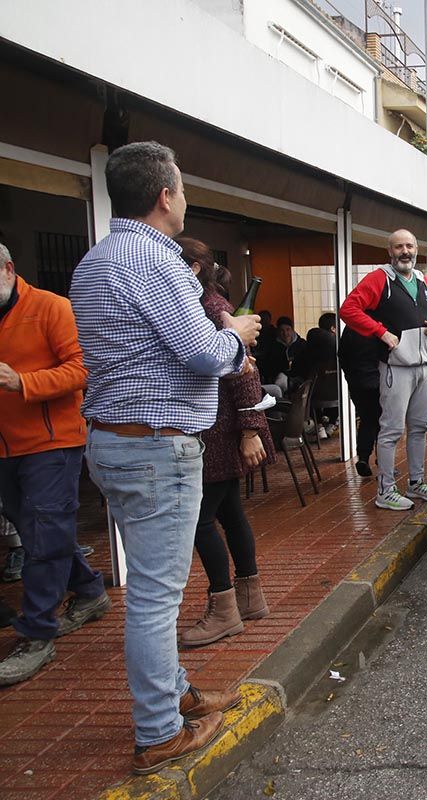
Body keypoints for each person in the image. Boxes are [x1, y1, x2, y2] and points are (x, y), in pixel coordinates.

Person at [70, 141, 259, 774]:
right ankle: (158, 732)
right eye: (181, 188)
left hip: (111, 442)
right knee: (155, 598)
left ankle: (177, 695)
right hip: (155, 448)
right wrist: (235, 336)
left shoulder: (94, 260)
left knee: (153, 590)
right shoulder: (158, 261)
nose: (184, 199)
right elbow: (202, 353)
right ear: (164, 196)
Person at [0, 242, 111, 687]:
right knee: (36, 531)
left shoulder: (50, 308)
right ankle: (88, 591)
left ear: (9, 269)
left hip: (51, 442)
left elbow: (84, 368)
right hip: (6, 446)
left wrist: (22, 381)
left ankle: (37, 632)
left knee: (44, 532)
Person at [176, 239, 273, 647]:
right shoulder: (209, 306)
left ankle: (224, 608)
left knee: (201, 522)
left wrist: (250, 429)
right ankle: (250, 598)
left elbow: (244, 370)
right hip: (219, 429)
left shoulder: (211, 309)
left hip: (217, 432)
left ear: (194, 268)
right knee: (231, 513)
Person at [340, 229, 427, 510]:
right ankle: (385, 491)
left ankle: (416, 483)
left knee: (420, 427)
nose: (405, 251)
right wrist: (380, 332)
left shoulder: (422, 279)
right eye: (399, 247)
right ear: (390, 251)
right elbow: (348, 309)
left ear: (416, 249)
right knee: (391, 430)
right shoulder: (379, 279)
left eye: (410, 246)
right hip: (395, 367)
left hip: (424, 366)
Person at [339, 324, 382, 478]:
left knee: (367, 419)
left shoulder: (351, 328)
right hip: (378, 381)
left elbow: (342, 355)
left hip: (358, 382)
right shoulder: (380, 324)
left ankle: (363, 457)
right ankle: (383, 461)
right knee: (382, 422)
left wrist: (350, 376)